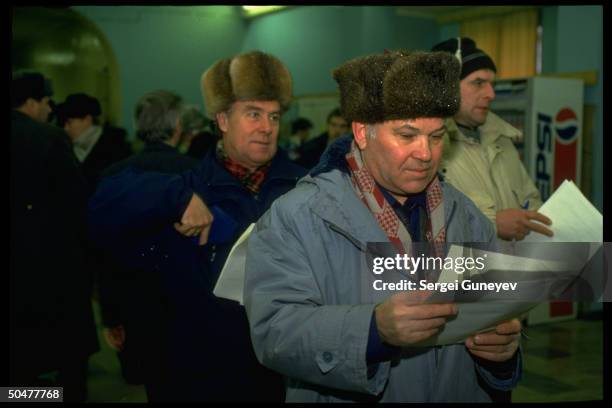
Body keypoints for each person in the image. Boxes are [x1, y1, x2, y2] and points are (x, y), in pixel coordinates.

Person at [243, 51, 522, 402]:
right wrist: (374, 331)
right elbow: (274, 333)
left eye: (436, 137)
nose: (425, 153)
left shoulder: (466, 216)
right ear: (362, 132)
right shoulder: (298, 217)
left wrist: (502, 353)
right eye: (407, 135)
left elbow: (495, 312)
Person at [87, 50, 306, 402]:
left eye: (274, 116)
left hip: (278, 369)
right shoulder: (187, 184)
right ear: (222, 119)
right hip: (195, 370)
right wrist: (175, 196)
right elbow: (100, 208)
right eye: (253, 114)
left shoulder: (302, 187)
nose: (267, 128)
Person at [97, 90, 200, 388]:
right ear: (178, 125)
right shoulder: (197, 174)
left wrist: (110, 315)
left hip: (134, 305)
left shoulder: (112, 176)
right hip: (190, 309)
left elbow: (103, 252)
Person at [10, 71, 99, 402]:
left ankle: (22, 396)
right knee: (66, 355)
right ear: (32, 102)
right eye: (47, 103)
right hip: (52, 264)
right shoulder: (48, 138)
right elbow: (76, 201)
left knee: (21, 357)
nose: (50, 110)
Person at [431, 37, 553, 242]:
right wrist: (492, 225)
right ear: (447, 89)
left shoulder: (502, 139)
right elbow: (425, 231)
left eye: (491, 84)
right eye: (478, 83)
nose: (491, 94)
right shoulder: (430, 148)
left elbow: (531, 201)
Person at [55, 92, 132, 192]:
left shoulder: (115, 146)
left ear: (87, 119)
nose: (65, 128)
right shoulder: (66, 147)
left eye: (70, 122)